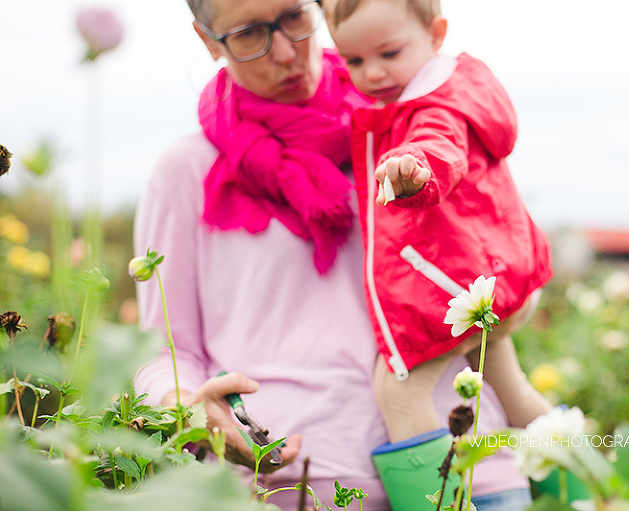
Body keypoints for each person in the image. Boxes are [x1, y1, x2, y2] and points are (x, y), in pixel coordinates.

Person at [133, 0, 537, 509]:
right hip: (294, 490)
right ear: (208, 40)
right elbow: (164, 353)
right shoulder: (184, 171)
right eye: (250, 33)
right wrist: (189, 407)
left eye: (295, 17)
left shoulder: (413, 129)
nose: (286, 52)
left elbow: (498, 242)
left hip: (476, 475)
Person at [323, 0, 554, 449]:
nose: (373, 73)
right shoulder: (451, 91)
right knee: (511, 388)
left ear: (435, 34)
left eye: (389, 53)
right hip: (494, 279)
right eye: (354, 60)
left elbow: (438, 147)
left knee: (399, 390)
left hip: (464, 289)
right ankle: (577, 467)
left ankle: (438, 486)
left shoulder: (433, 106)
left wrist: (413, 168)